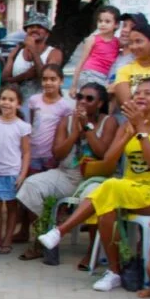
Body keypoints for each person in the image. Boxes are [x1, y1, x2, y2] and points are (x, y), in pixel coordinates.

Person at [39, 79, 150, 292]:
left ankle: (61, 231)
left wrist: (141, 130)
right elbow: (108, 159)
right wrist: (127, 134)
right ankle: (114, 272)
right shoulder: (128, 124)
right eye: (137, 93)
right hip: (127, 189)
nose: (140, 96)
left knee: (111, 188)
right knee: (106, 209)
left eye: (147, 93)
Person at [15, 83, 116, 264]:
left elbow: (103, 152)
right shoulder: (67, 120)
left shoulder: (109, 122)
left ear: (100, 103)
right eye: (80, 97)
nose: (83, 102)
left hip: (94, 178)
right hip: (66, 174)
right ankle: (44, 237)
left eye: (89, 98)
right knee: (31, 185)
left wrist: (87, 128)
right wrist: (74, 134)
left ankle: (92, 251)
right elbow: (58, 153)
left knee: (93, 195)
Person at [0, 85, 32, 255]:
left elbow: (26, 152)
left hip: (12, 173)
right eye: (3, 99)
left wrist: (22, 174)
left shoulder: (22, 126)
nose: (6, 103)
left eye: (11, 100)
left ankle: (7, 239)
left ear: (18, 104)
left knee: (12, 208)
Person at [3, 13, 64, 104]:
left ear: (47, 33)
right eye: (31, 27)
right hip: (17, 106)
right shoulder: (17, 51)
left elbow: (45, 78)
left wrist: (33, 50)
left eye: (39, 27)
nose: (34, 29)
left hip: (43, 107)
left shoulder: (54, 53)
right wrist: (25, 75)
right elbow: (4, 80)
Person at [68, 6, 120, 94]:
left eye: (107, 21)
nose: (102, 24)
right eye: (100, 21)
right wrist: (73, 85)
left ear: (116, 24)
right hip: (89, 74)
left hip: (105, 77)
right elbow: (81, 61)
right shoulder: (92, 39)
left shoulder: (117, 42)